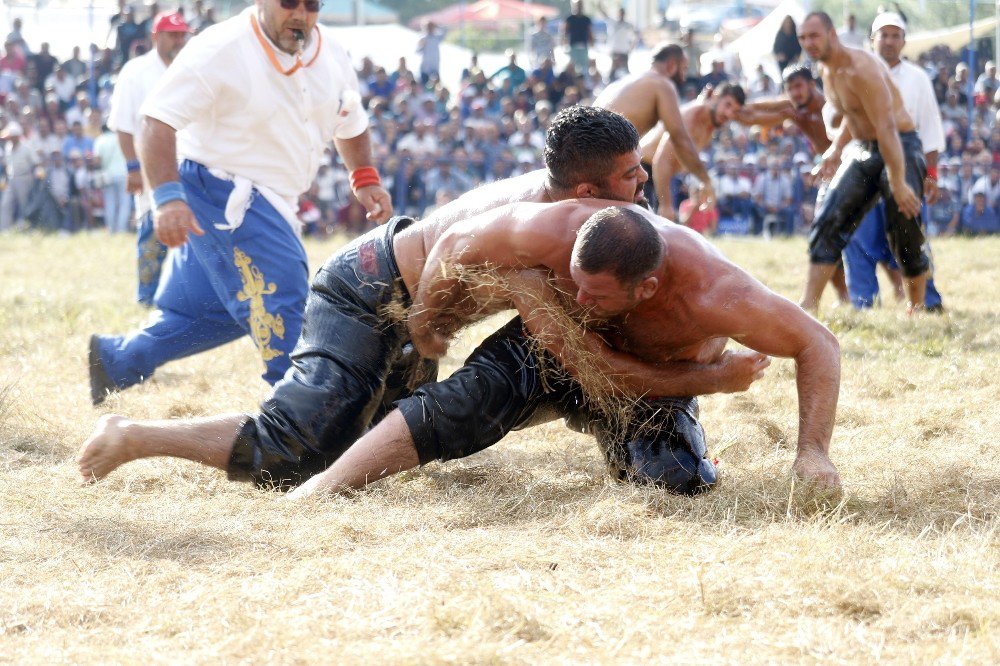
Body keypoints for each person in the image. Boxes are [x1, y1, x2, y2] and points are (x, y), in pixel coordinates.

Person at [79, 106, 765, 489]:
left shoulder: (582, 221)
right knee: (293, 451)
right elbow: (453, 261)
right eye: (630, 179)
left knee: (362, 453)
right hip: (367, 290)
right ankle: (135, 436)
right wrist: (429, 323)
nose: (642, 189)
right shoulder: (534, 225)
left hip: (410, 310)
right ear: (587, 193)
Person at [283, 201, 842, 499]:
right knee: (466, 400)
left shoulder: (719, 296)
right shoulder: (557, 229)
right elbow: (454, 241)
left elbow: (818, 343)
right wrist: (429, 323)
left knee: (676, 481)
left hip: (654, 384)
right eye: (573, 280)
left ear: (645, 289)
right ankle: (321, 489)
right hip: (557, 348)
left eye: (593, 293)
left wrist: (812, 450)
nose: (577, 296)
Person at [88, 0, 392, 405]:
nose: (300, 14)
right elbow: (155, 120)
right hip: (221, 188)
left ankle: (116, 360)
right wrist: (166, 198)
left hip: (272, 197)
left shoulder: (332, 53)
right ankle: (305, 419)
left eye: (312, 4)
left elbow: (350, 121)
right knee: (283, 301)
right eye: (288, 3)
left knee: (203, 312)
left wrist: (364, 176)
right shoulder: (220, 48)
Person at [795, 12, 928, 313]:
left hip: (900, 143)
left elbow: (887, 127)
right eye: (803, 38)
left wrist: (897, 181)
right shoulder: (827, 70)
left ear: (832, 34)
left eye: (814, 36)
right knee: (829, 218)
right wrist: (835, 150)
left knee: (903, 223)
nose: (808, 43)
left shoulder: (861, 67)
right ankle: (809, 306)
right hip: (863, 147)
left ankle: (917, 308)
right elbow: (854, 114)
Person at [842, 12, 947, 311]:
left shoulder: (918, 79)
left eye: (894, 35)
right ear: (872, 39)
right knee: (859, 235)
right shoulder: (855, 75)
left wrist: (932, 175)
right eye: (883, 35)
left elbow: (930, 130)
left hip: (907, 165)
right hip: (864, 162)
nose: (888, 41)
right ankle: (863, 304)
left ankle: (927, 301)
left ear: (903, 41)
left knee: (909, 235)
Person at [107, 10, 190, 305]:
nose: (178, 40)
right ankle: (146, 298)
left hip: (192, 163)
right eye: (172, 34)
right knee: (153, 232)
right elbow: (122, 124)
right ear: (156, 36)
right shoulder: (135, 71)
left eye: (182, 34)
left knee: (196, 238)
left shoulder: (193, 68)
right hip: (151, 166)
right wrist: (131, 167)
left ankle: (186, 302)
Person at [594, 43, 716, 219]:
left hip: (590, 157)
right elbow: (679, 136)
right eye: (683, 69)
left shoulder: (634, 81)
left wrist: (700, 104)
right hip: (603, 163)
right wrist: (705, 180)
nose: (684, 78)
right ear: (671, 65)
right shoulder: (663, 84)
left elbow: (675, 120)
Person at [637, 83, 745, 218]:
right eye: (728, 105)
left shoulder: (709, 122)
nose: (729, 114)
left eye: (734, 111)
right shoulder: (692, 116)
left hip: (660, 176)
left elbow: (685, 157)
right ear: (716, 97)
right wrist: (666, 205)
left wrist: (703, 182)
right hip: (643, 171)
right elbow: (661, 160)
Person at [93, 124, 131, 233]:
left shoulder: (99, 140)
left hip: (108, 175)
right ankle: (122, 229)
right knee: (124, 203)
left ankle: (111, 229)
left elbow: (97, 160)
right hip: (123, 173)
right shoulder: (120, 138)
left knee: (110, 203)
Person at [0, 122, 38, 231]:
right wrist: (4, 179)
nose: (8, 139)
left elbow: (36, 163)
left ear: (16, 136)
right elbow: (8, 165)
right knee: (6, 204)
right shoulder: (8, 147)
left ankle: (28, 228)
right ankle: (4, 230)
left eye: (10, 137)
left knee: (25, 205)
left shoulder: (26, 147)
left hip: (24, 178)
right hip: (11, 179)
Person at [599, 4, 638, 80]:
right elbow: (604, 14)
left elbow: (635, 36)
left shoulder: (628, 25)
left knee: (626, 72)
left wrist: (632, 47)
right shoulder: (613, 23)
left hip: (624, 51)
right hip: (615, 51)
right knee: (613, 72)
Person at [563, 0, 594, 75]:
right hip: (573, 46)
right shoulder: (569, 19)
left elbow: (590, 32)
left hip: (583, 46)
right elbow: (564, 32)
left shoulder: (586, 19)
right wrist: (564, 44)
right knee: (572, 67)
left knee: (584, 68)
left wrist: (592, 42)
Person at [416, 21, 444, 86]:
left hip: (435, 68)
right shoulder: (422, 38)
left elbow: (446, 30)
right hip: (425, 69)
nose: (430, 29)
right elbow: (417, 51)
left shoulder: (436, 37)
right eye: (428, 27)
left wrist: (437, 26)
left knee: (437, 87)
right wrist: (421, 45)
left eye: (431, 27)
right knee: (424, 87)